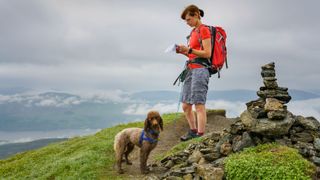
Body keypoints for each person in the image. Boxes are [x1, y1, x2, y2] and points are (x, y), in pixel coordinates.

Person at [176, 5, 211, 141]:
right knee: (186, 105)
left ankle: (200, 136)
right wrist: (184, 52)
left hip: (201, 70)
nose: (187, 22)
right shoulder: (193, 32)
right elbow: (194, 55)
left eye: (189, 19)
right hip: (191, 68)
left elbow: (207, 53)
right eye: (186, 20)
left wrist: (189, 50)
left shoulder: (204, 30)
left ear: (196, 15)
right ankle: (192, 131)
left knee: (199, 104)